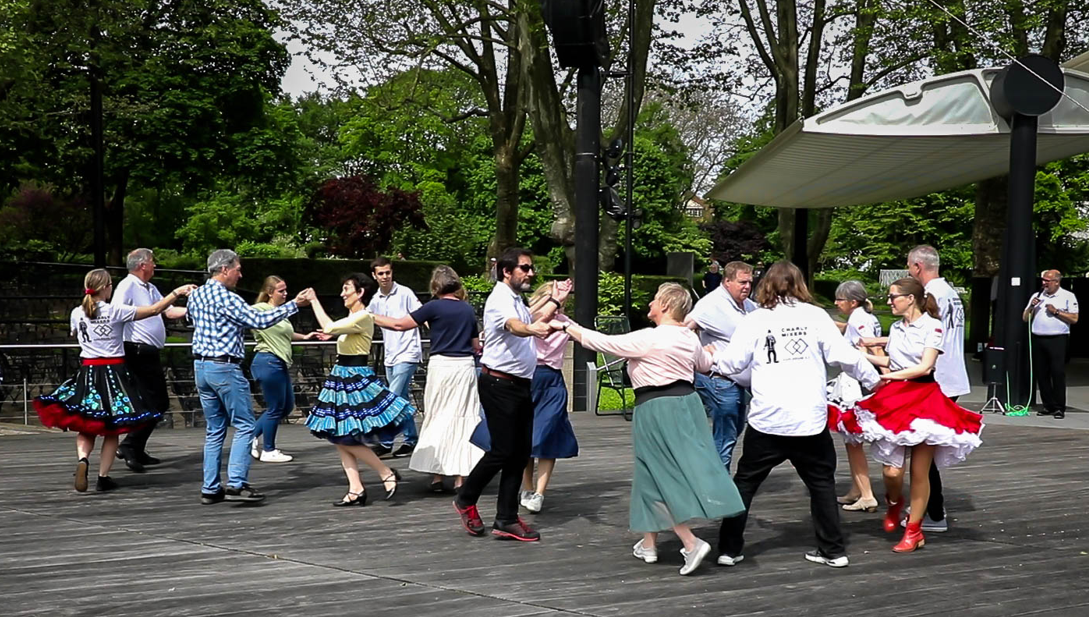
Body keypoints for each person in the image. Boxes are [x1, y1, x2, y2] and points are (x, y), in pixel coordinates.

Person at [558, 283, 745, 576]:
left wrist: (566, 326)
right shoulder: (688, 337)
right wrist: (709, 351)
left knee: (662, 472)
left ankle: (690, 541)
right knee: (649, 473)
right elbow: (705, 364)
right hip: (687, 405)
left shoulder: (650, 338)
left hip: (657, 408)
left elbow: (601, 342)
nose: (650, 304)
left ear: (667, 305)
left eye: (656, 300)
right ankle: (648, 543)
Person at [712, 261, 881, 569]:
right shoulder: (815, 316)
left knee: (745, 484)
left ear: (767, 286)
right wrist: (874, 381)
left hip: (768, 420)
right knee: (821, 485)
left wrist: (713, 359)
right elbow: (845, 356)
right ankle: (833, 550)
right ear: (800, 284)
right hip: (809, 421)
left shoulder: (755, 319)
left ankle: (729, 549)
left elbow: (733, 363)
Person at [842, 277, 984, 553]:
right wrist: (861, 356)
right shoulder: (895, 327)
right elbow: (891, 359)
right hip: (896, 398)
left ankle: (914, 530)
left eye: (893, 296)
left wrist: (890, 376)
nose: (889, 300)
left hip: (924, 399)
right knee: (892, 472)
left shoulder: (933, 326)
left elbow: (924, 367)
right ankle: (895, 503)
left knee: (921, 471)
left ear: (910, 298)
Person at [34, 269, 195, 492]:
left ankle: (83, 459)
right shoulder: (114, 311)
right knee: (112, 428)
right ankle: (103, 476)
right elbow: (155, 310)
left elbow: (75, 335)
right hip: (113, 372)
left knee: (86, 423)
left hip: (88, 371)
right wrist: (177, 292)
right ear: (106, 287)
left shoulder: (76, 313)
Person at [187, 249, 313, 505]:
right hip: (224, 366)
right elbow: (257, 319)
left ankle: (210, 487)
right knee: (244, 424)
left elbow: (190, 318)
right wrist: (294, 306)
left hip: (201, 367)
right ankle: (236, 483)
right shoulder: (226, 297)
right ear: (224, 270)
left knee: (214, 430)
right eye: (237, 269)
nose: (240, 274)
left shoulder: (197, 295)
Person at [452, 248, 561, 543]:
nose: (531, 273)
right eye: (525, 268)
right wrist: (532, 329)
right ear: (506, 271)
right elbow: (516, 326)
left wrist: (554, 302)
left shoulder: (515, 298)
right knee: (502, 450)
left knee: (519, 452)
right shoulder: (500, 299)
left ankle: (506, 518)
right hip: (500, 385)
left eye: (530, 268)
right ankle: (466, 498)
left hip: (519, 384)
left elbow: (528, 320)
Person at [371, 266, 484, 493]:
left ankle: (437, 476)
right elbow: (476, 346)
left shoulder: (433, 307)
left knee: (438, 415)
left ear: (436, 285)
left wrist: (369, 316)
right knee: (464, 419)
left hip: (441, 366)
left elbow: (399, 325)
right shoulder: (466, 309)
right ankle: (462, 477)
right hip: (464, 367)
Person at [306, 272, 411, 507]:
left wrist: (314, 300)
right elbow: (337, 331)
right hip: (342, 377)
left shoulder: (363, 316)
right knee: (339, 435)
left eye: (347, 289)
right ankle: (356, 488)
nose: (343, 293)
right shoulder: (353, 317)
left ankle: (385, 473)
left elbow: (330, 326)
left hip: (354, 379)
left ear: (360, 293)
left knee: (343, 435)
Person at [900, 245, 969, 533]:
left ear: (918, 266)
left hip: (935, 379)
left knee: (923, 451)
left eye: (908, 266)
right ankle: (928, 506)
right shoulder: (952, 293)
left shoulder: (931, 297)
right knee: (925, 450)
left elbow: (926, 340)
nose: (907, 271)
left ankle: (934, 511)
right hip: (950, 375)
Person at [111, 248, 188, 473]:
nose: (155, 265)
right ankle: (130, 445)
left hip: (148, 351)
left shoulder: (150, 288)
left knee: (150, 401)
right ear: (142, 265)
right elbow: (116, 311)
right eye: (152, 262)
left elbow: (169, 311)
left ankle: (136, 448)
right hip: (135, 350)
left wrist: (196, 308)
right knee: (157, 401)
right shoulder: (127, 286)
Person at [685, 260, 757, 471]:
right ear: (727, 281)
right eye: (742, 282)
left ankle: (709, 476)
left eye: (749, 283)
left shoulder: (750, 306)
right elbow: (684, 328)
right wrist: (697, 354)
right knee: (725, 437)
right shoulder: (711, 305)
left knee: (732, 433)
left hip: (740, 382)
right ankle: (717, 488)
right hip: (719, 380)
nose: (747, 287)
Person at [248, 276, 321, 464]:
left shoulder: (279, 312)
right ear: (270, 292)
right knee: (275, 408)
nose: (285, 294)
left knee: (286, 406)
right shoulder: (259, 310)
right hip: (268, 361)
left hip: (279, 363)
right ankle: (269, 449)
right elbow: (259, 324)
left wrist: (305, 337)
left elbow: (285, 333)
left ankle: (250, 438)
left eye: (285, 290)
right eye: (281, 291)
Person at [521, 279, 578, 514]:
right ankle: (526, 487)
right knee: (525, 436)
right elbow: (524, 320)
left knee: (548, 435)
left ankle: (539, 493)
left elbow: (587, 336)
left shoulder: (565, 323)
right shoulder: (529, 318)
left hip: (552, 379)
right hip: (528, 376)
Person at [828, 280, 883, 513]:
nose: (836, 303)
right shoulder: (862, 317)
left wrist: (883, 377)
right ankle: (857, 488)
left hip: (856, 383)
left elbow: (870, 346)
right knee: (851, 440)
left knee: (853, 440)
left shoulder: (860, 320)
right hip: (856, 381)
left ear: (852, 301)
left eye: (840, 299)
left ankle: (867, 493)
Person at [369, 257, 423, 457]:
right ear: (374, 276)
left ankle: (386, 441)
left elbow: (421, 315)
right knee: (400, 399)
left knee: (390, 398)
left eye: (388, 272)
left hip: (407, 352)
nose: (385, 276)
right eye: (381, 273)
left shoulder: (405, 293)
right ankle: (411, 440)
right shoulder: (375, 300)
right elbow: (362, 320)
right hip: (390, 355)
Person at [1024, 269, 1079, 419]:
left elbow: (1074, 319)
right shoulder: (1037, 296)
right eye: (1043, 280)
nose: (1044, 283)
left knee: (1057, 373)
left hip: (1057, 339)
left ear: (1056, 281)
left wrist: (1056, 312)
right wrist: (1031, 307)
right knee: (1041, 374)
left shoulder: (1067, 296)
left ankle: (1059, 407)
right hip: (1038, 338)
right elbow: (1024, 318)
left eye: (1047, 281)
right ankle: (1048, 405)